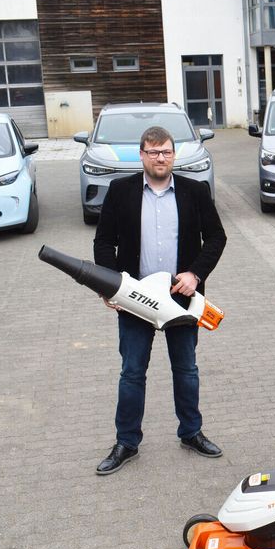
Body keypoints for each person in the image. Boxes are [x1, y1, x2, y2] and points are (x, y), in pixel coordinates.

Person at [92, 126, 228, 475]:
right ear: (142, 155)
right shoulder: (120, 191)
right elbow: (104, 242)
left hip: (181, 299)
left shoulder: (195, 191)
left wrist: (194, 275)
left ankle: (191, 432)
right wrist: (111, 287)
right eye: (153, 152)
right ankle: (126, 442)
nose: (160, 158)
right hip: (135, 299)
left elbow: (216, 237)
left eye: (165, 152)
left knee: (186, 369)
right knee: (132, 372)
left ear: (173, 154)